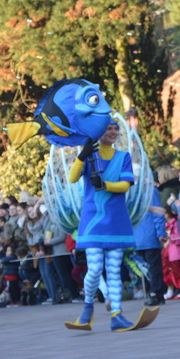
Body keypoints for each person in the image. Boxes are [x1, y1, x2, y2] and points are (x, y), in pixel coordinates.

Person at [65, 121, 141, 331]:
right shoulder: (89, 157)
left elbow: (125, 185)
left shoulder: (123, 157)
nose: (113, 132)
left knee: (114, 270)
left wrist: (105, 185)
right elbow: (72, 178)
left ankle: (116, 314)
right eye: (108, 128)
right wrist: (82, 155)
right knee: (95, 269)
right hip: (92, 221)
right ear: (98, 131)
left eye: (116, 129)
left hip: (116, 221)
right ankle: (87, 308)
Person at [133, 188, 168, 306]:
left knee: (152, 268)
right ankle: (156, 293)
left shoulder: (149, 190)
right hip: (142, 235)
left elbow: (157, 213)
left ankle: (155, 293)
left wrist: (161, 232)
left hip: (147, 235)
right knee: (148, 268)